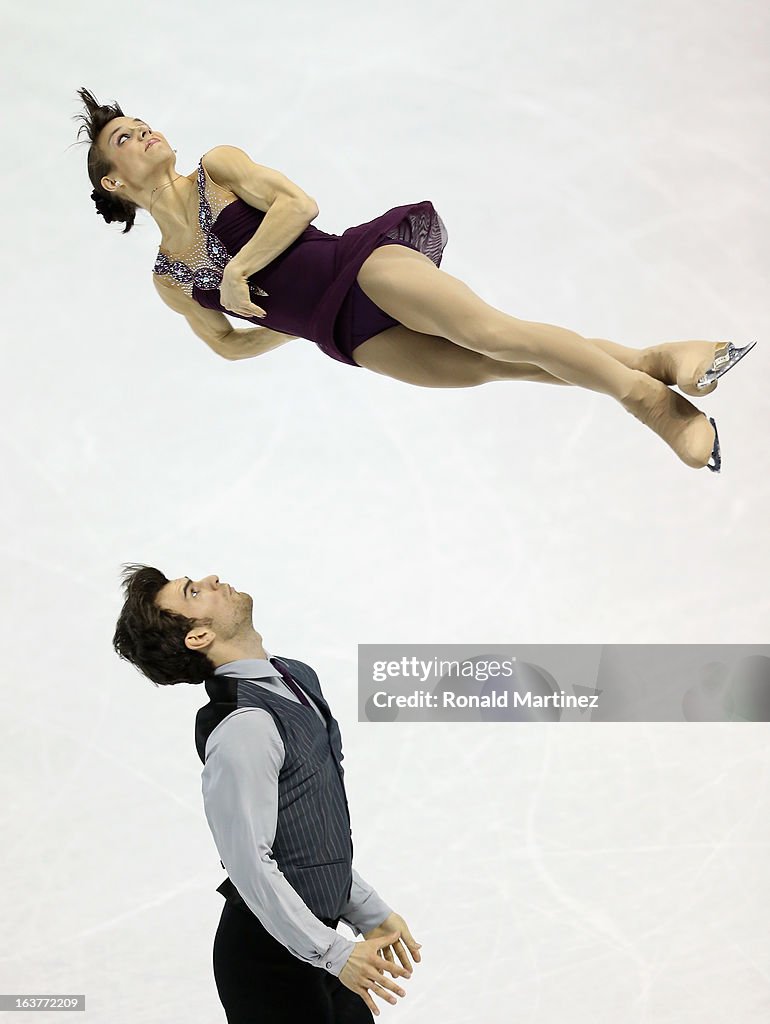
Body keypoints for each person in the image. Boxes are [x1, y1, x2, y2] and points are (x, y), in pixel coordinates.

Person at [75, 89, 756, 472]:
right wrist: (296, 322)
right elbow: (226, 344)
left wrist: (243, 272)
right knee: (501, 365)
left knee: (498, 332)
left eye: (142, 125)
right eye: (125, 141)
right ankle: (659, 359)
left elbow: (298, 207)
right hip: (350, 336)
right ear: (113, 182)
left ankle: (651, 403)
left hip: (364, 269)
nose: (145, 134)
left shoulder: (218, 167)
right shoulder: (169, 279)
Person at [112, 565, 420, 1023]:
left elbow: (309, 831)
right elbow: (249, 864)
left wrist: (368, 909)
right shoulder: (243, 726)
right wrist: (335, 954)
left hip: (320, 943)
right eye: (194, 592)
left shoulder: (297, 679)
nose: (213, 579)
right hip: (267, 964)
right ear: (197, 637)